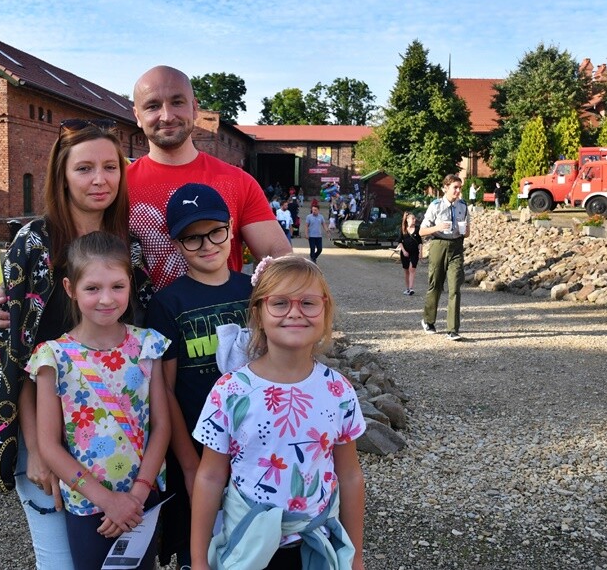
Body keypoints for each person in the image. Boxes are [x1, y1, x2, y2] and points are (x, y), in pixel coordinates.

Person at [0, 121, 153, 570]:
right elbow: (18, 354)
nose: (99, 179)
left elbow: (140, 340)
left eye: (110, 167)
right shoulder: (34, 244)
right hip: (45, 430)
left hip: (113, 435)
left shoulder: (130, 247)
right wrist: (38, 450)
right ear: (62, 175)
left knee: (116, 560)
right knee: (60, 561)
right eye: (84, 168)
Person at [190, 256, 366, 569]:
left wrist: (356, 557)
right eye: (280, 303)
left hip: (316, 547)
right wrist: (199, 559)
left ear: (325, 310)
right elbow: (210, 476)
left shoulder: (339, 391)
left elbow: (350, 475)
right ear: (258, 313)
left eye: (308, 303)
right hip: (247, 546)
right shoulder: (230, 390)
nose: (295, 312)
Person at [29, 231, 170, 570]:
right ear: (70, 289)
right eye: (92, 288)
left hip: (142, 498)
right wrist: (107, 500)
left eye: (117, 286)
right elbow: (48, 445)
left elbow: (162, 426)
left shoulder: (148, 345)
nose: (106, 299)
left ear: (130, 284)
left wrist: (136, 495)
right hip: (87, 504)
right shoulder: (53, 357)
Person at [146, 183, 253, 570]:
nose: (207, 245)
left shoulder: (255, 291)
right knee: (201, 549)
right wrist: (190, 464)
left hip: (255, 448)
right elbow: (166, 390)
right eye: (192, 238)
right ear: (177, 245)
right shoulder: (167, 303)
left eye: (215, 232)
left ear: (231, 229)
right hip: (196, 450)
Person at [127, 66, 291, 289]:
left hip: (221, 311)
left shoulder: (237, 181)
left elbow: (277, 255)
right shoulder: (118, 187)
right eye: (153, 106)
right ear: (137, 116)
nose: (167, 116)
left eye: (177, 102)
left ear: (194, 108)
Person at [419, 174, 470, 341]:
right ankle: (428, 320)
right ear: (445, 188)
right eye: (455, 187)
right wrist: (438, 227)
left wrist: (465, 231)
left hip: (456, 246)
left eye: (460, 188)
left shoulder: (463, 206)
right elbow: (422, 231)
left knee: (455, 287)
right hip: (438, 245)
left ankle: (452, 329)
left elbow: (467, 232)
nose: (458, 191)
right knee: (436, 284)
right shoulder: (436, 206)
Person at [399, 211, 423, 295]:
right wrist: (404, 251)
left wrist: (420, 252)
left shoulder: (418, 229)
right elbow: (400, 242)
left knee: (412, 269)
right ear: (407, 220)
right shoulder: (403, 229)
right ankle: (407, 288)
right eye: (412, 218)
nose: (414, 220)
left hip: (414, 252)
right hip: (405, 252)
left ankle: (411, 288)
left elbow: (420, 242)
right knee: (406, 271)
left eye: (414, 218)